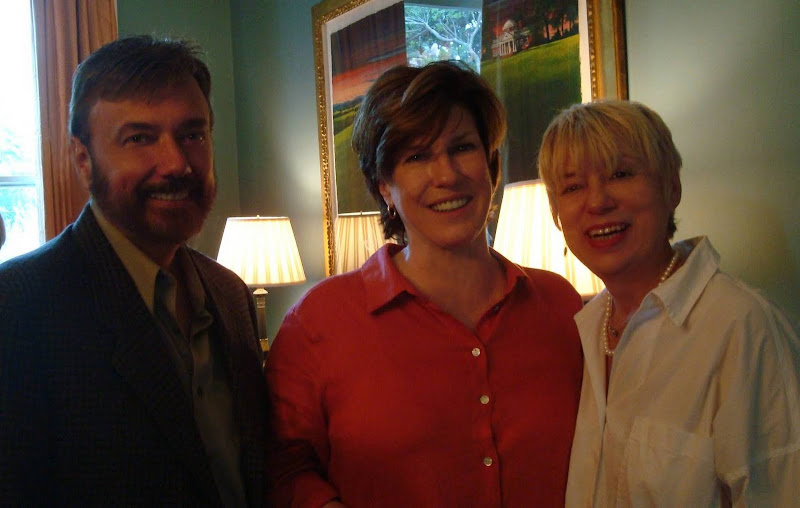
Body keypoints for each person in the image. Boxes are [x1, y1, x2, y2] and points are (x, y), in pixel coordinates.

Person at [265, 60, 584, 507]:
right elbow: (284, 467)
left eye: (462, 147)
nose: (447, 175)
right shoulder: (317, 324)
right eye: (416, 157)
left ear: (491, 165)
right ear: (384, 186)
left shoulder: (561, 305)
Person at [0, 35, 269, 506]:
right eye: (139, 138)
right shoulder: (19, 306)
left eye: (192, 134)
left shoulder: (231, 296)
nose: (176, 163)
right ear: (83, 160)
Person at [537, 99, 800, 506]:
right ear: (557, 213)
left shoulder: (742, 326)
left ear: (671, 188)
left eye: (620, 174)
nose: (598, 202)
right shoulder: (586, 328)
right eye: (572, 187)